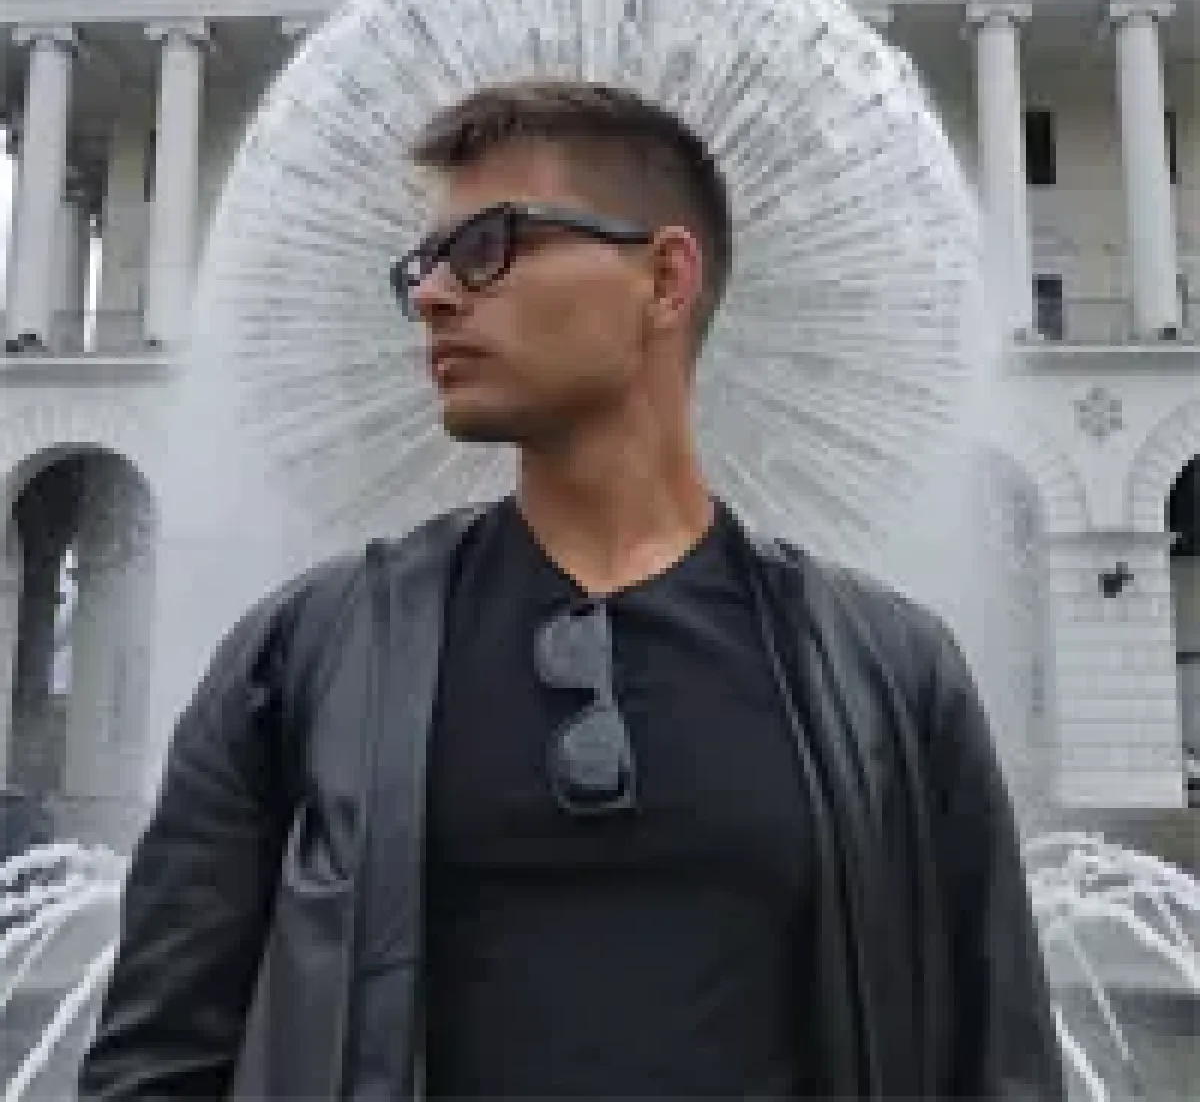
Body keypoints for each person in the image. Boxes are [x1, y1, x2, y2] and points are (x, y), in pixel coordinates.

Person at [78, 80, 1067, 1102]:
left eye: (489, 246)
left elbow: (1002, 1067)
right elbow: (156, 1065)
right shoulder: (302, 659)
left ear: (666, 278)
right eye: (424, 267)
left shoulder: (893, 677)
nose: (435, 296)